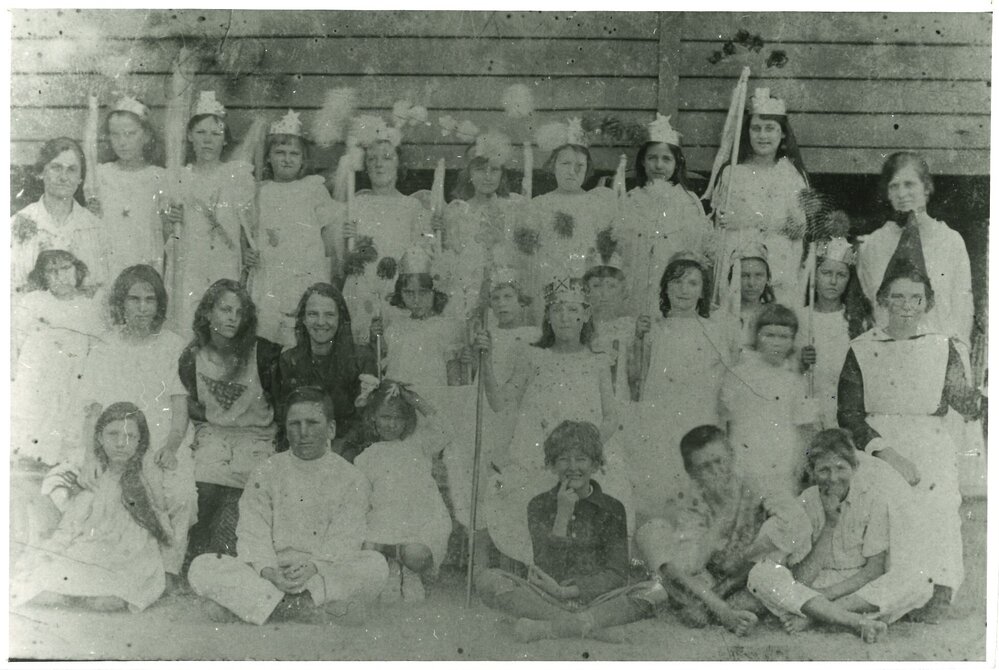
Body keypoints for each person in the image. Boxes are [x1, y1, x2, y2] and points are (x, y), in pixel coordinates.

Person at [838, 261, 981, 621]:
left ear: (927, 303)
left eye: (915, 298)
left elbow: (963, 401)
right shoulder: (861, 347)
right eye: (898, 296)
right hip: (878, 443)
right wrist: (889, 454)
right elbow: (849, 415)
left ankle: (937, 590)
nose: (906, 305)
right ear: (882, 300)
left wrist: (982, 391)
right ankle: (889, 592)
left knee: (940, 498)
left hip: (930, 438)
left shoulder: (942, 347)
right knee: (891, 497)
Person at [188, 387, 388, 625]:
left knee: (375, 565)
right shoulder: (267, 471)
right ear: (286, 428)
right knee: (202, 566)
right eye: (295, 424)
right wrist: (269, 571)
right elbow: (253, 531)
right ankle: (308, 610)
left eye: (312, 423)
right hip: (272, 574)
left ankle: (262, 608)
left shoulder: (351, 478)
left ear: (331, 429)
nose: (303, 432)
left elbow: (345, 538)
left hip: (319, 573)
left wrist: (314, 567)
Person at [474, 277, 631, 566]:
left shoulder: (597, 361)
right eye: (557, 310)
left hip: (585, 456)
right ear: (547, 316)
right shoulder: (532, 356)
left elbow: (611, 416)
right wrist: (486, 359)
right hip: (537, 453)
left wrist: (586, 447)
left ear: (585, 314)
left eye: (573, 310)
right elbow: (498, 402)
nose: (565, 317)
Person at [70, 264, 197, 586]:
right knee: (102, 494)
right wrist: (90, 456)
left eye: (150, 300)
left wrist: (171, 447)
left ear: (159, 304)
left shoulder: (173, 345)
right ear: (121, 302)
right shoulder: (105, 345)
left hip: (162, 439)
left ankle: (168, 570)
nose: (142, 308)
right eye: (134, 299)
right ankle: (119, 572)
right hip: (117, 441)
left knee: (180, 494)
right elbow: (93, 410)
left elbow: (180, 408)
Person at [747, 429, 934, 643]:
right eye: (824, 470)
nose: (833, 478)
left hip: (857, 587)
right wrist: (830, 523)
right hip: (816, 584)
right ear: (812, 471)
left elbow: (874, 570)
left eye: (840, 468)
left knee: (919, 580)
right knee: (761, 573)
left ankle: (818, 616)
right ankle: (853, 621)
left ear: (854, 468)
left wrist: (826, 596)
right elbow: (802, 579)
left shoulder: (873, 500)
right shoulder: (805, 503)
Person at [476, 421, 649, 642]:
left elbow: (617, 574)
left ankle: (548, 628)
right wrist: (562, 516)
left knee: (655, 592)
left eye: (581, 459)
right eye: (564, 459)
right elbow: (546, 567)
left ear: (595, 465)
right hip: (548, 598)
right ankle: (592, 629)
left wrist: (568, 591)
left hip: (597, 599)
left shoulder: (613, 508)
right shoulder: (539, 505)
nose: (572, 467)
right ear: (552, 465)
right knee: (488, 580)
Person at [635, 425, 810, 636]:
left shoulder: (756, 484)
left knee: (775, 542)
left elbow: (797, 524)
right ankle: (722, 610)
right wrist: (720, 520)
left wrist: (748, 558)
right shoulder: (695, 504)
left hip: (752, 576)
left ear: (732, 456)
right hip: (714, 579)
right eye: (705, 467)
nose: (717, 471)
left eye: (720, 461)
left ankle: (713, 609)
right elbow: (691, 564)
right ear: (692, 473)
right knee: (653, 533)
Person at [12, 403, 172, 613]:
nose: (120, 443)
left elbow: (162, 519)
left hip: (131, 555)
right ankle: (76, 590)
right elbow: (72, 523)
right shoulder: (94, 475)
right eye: (112, 434)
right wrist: (50, 551)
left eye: (130, 436)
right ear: (99, 438)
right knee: (45, 592)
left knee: (106, 601)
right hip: (92, 547)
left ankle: (92, 592)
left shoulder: (147, 474)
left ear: (140, 441)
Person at [179, 279, 282, 572]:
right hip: (215, 434)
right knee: (203, 485)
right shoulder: (193, 357)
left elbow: (280, 404)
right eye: (225, 310)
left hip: (257, 436)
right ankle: (197, 555)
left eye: (239, 313)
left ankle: (226, 558)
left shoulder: (264, 353)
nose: (232, 318)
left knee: (242, 497)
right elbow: (192, 403)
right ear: (207, 312)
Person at [10, 250, 106, 551]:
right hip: (40, 385)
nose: (60, 276)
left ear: (78, 270)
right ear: (42, 277)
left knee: (68, 454)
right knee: (32, 457)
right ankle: (30, 531)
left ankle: (62, 531)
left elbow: (99, 350)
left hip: (75, 385)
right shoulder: (33, 302)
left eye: (66, 268)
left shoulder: (90, 308)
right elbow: (16, 343)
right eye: (52, 272)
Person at [627, 252, 734, 521]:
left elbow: (724, 381)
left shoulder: (713, 331)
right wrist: (638, 338)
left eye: (692, 283)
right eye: (676, 282)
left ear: (702, 291)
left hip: (697, 415)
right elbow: (636, 377)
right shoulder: (653, 329)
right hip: (660, 418)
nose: (683, 290)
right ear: (665, 288)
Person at [164, 91, 259, 336]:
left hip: (224, 262)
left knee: (224, 319)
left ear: (225, 139)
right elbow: (165, 232)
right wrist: (171, 221)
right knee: (190, 322)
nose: (208, 140)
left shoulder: (236, 177)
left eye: (216, 134)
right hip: (191, 264)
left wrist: (248, 252)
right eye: (201, 133)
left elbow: (249, 226)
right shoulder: (181, 178)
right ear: (189, 136)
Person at [351, 377, 453, 602]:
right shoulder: (366, 458)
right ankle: (392, 568)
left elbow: (446, 430)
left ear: (407, 420)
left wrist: (415, 400)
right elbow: (360, 502)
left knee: (416, 553)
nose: (392, 424)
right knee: (367, 545)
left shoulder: (418, 446)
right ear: (373, 417)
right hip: (384, 522)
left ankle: (409, 570)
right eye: (385, 417)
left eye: (398, 418)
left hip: (420, 521)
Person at [856, 152, 973, 343]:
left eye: (909, 184)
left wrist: (956, 354)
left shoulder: (951, 241)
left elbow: (963, 309)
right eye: (894, 186)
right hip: (889, 353)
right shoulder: (873, 245)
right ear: (887, 193)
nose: (902, 194)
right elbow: (871, 307)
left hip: (938, 352)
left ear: (926, 188)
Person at [710, 88, 809, 307]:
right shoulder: (732, 174)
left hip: (779, 267)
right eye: (756, 129)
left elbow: (799, 228)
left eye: (770, 128)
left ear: (783, 133)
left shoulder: (791, 175)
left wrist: (753, 219)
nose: (762, 136)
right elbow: (721, 228)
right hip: (739, 269)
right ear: (747, 132)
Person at [339, 116, 433, 345]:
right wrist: (346, 240)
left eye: (387, 158)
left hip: (397, 287)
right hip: (362, 287)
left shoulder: (411, 207)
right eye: (372, 159)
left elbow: (422, 255)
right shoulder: (356, 204)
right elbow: (342, 257)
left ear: (399, 164)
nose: (379, 164)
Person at [252, 110, 343, 346]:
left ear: (303, 159)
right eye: (280, 152)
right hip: (271, 274)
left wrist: (329, 275)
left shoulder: (313, 189)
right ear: (268, 157)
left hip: (305, 272)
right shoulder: (260, 192)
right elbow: (251, 233)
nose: (287, 159)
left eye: (294, 154)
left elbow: (329, 237)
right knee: (267, 334)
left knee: (300, 336)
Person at [616, 114, 712, 317]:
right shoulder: (631, 199)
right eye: (652, 158)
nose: (659, 165)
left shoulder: (688, 202)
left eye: (666, 159)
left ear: (677, 163)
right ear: (643, 162)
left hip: (674, 287)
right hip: (637, 285)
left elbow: (696, 249)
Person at [720, 304, 817, 498]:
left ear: (793, 340)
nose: (776, 343)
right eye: (769, 335)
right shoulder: (738, 375)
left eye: (784, 337)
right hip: (744, 460)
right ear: (756, 336)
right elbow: (725, 421)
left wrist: (799, 466)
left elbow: (804, 427)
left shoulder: (795, 379)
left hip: (782, 463)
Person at [525, 120, 616, 303]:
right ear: (553, 165)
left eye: (579, 166)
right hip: (548, 282)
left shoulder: (598, 204)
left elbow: (606, 253)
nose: (572, 172)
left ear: (587, 168)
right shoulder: (540, 205)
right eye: (565, 163)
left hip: (586, 282)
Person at [272, 282, 370, 450]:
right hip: (302, 446)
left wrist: (339, 449)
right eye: (313, 314)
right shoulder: (288, 360)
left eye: (329, 315)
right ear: (303, 319)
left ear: (340, 319)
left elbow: (365, 420)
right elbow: (285, 417)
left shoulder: (361, 359)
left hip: (347, 449)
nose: (321, 322)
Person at [442, 129, 526, 319]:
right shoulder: (457, 211)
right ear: (469, 173)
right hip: (468, 292)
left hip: (504, 293)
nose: (488, 176)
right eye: (480, 169)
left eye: (494, 170)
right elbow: (451, 259)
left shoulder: (514, 207)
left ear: (502, 174)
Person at [11, 137, 109, 290]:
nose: (63, 177)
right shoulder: (16, 224)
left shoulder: (96, 228)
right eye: (56, 167)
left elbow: (104, 287)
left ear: (80, 178)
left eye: (72, 169)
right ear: (41, 172)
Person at [798, 238, 874, 428]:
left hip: (846, 410)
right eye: (826, 273)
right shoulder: (801, 318)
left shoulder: (858, 321)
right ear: (815, 275)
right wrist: (800, 360)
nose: (833, 281)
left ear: (849, 279)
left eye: (841, 275)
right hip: (810, 407)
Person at [91, 96, 168, 277]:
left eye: (130, 134)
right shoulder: (101, 175)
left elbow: (166, 230)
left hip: (145, 262)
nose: (122, 142)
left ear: (146, 135)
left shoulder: (159, 177)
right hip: (110, 263)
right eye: (115, 134)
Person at [372, 246, 467, 387]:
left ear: (435, 292)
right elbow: (390, 367)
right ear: (400, 293)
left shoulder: (446, 328)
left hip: (433, 395)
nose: (416, 300)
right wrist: (375, 339)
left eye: (423, 292)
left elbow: (454, 378)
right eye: (409, 293)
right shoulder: (396, 327)